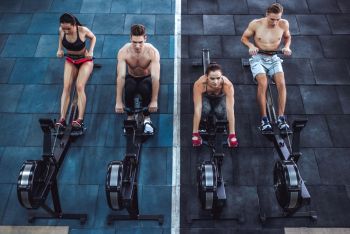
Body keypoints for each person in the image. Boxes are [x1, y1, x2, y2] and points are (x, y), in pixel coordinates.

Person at [241, 3, 291, 132]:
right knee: (263, 83)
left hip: (274, 57)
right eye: (272, 19)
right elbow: (244, 38)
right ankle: (264, 119)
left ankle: (281, 118)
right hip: (258, 57)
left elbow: (287, 37)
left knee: (281, 83)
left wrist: (287, 47)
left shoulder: (284, 24)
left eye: (278, 19)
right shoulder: (256, 24)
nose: (275, 22)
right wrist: (251, 46)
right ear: (267, 15)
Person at [115, 24, 160, 134]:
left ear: (145, 38)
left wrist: (154, 101)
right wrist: (118, 102)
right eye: (134, 42)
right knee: (129, 87)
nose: (137, 46)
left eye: (140, 42)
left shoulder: (153, 52)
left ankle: (147, 119)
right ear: (130, 38)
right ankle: (130, 117)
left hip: (146, 77)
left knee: (144, 88)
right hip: (132, 76)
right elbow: (120, 76)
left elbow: (155, 77)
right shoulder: (123, 52)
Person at [56, 13, 96, 129]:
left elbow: (93, 37)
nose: (66, 31)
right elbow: (60, 37)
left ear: (74, 25)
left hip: (84, 60)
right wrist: (59, 49)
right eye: (64, 28)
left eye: (68, 28)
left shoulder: (82, 30)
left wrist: (91, 51)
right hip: (70, 60)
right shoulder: (62, 30)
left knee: (79, 86)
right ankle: (62, 119)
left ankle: (80, 119)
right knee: (66, 87)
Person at [192, 63, 238, 148]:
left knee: (221, 112)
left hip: (220, 98)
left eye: (218, 78)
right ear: (206, 77)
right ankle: (202, 124)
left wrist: (232, 134)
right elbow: (197, 108)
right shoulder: (199, 84)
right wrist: (195, 133)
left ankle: (222, 125)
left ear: (221, 76)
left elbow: (230, 109)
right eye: (212, 79)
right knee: (204, 110)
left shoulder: (227, 85)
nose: (216, 82)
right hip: (206, 97)